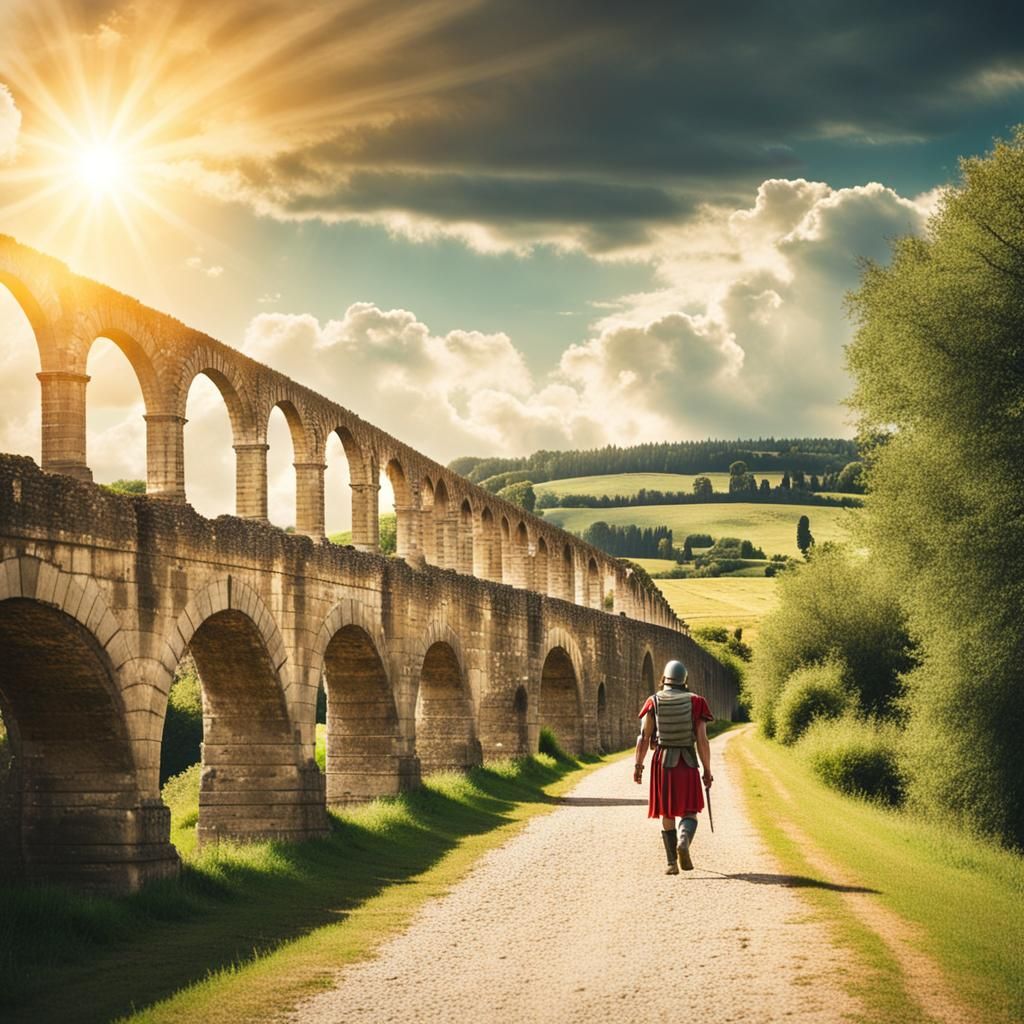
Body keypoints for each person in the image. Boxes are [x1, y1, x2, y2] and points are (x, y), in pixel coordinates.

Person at [633, 659, 713, 874]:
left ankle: (671, 863)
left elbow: (643, 736)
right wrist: (707, 770)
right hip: (686, 760)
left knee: (667, 811)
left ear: (665, 680)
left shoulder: (654, 701)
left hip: (662, 761)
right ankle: (684, 840)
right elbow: (703, 741)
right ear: (684, 680)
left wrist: (638, 765)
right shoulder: (697, 703)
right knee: (690, 810)